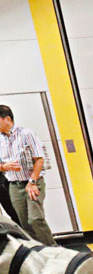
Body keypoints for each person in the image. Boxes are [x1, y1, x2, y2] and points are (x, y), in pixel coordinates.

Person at [0, 105, 55, 246]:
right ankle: (38, 250)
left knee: (35, 219)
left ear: (7, 119)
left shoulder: (26, 134)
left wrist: (32, 182)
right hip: (14, 185)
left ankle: (53, 248)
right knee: (24, 223)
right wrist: (4, 167)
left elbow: (39, 159)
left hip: (32, 182)